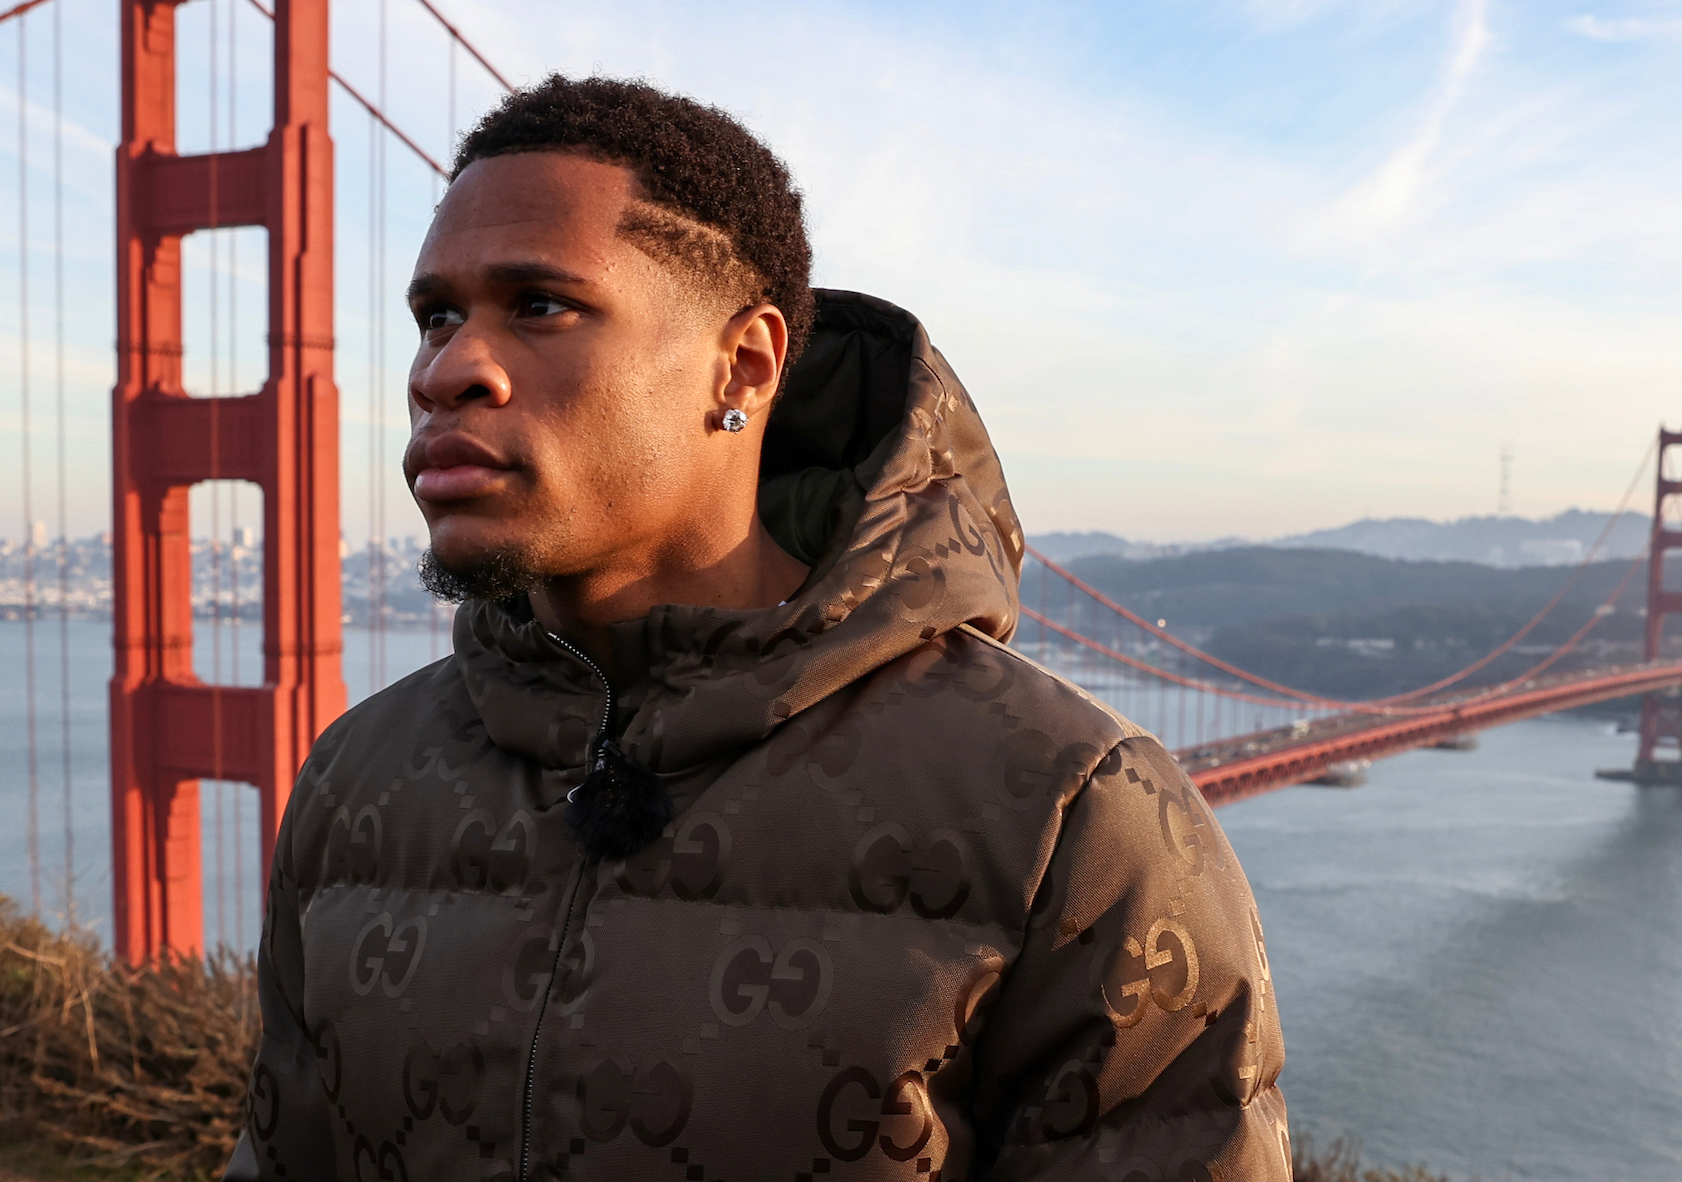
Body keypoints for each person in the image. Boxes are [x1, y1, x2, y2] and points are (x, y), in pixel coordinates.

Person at [227, 75, 1287, 1180]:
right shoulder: (357, 779)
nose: (447, 370)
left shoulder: (1078, 814)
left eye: (540, 304)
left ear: (745, 363)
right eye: (437, 315)